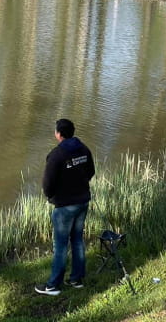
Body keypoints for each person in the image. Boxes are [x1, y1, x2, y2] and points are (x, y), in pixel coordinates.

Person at [36, 119, 95, 296]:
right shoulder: (83, 149)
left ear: (58, 134)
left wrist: (51, 196)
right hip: (83, 201)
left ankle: (53, 285)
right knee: (77, 240)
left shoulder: (56, 155)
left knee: (60, 245)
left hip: (64, 207)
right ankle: (76, 279)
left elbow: (47, 184)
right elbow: (90, 171)